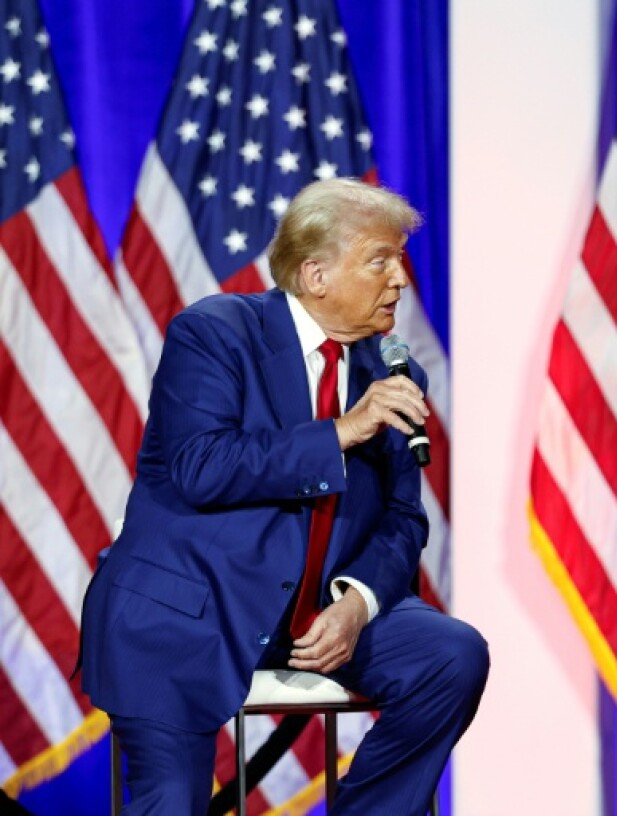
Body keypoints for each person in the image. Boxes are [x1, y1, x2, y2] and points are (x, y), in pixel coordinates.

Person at [80, 179, 488, 815]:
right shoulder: (216, 333)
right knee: (170, 800)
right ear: (315, 273)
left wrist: (358, 603)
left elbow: (404, 519)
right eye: (380, 259)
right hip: (190, 610)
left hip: (318, 618)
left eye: (400, 260)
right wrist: (344, 431)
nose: (400, 280)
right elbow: (199, 466)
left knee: (451, 656)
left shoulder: (392, 370)